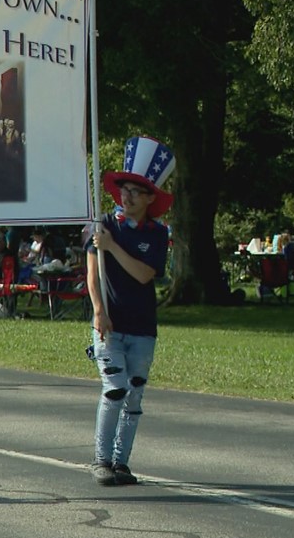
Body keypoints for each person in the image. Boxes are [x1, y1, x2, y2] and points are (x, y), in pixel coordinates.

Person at [86, 136, 174, 487]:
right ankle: (101, 459)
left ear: (150, 198)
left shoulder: (156, 234)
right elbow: (92, 274)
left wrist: (113, 247)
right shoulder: (102, 226)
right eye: (125, 189)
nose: (128, 195)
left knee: (135, 390)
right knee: (115, 388)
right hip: (110, 322)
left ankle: (122, 461)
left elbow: (144, 273)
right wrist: (98, 311)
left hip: (142, 326)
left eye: (137, 191)